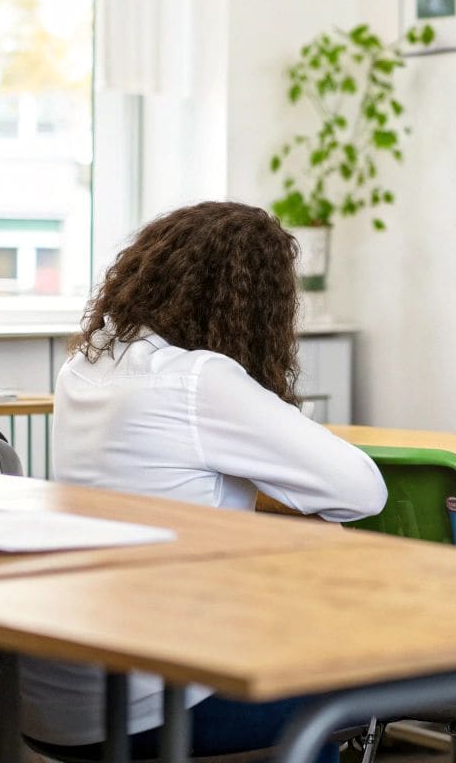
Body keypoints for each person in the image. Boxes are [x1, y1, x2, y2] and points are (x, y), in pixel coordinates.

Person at [23, 201, 387, 761]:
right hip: (158, 705)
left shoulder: (85, 367)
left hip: (57, 703)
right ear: (253, 303)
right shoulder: (198, 378)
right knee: (351, 678)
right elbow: (362, 490)